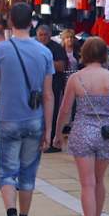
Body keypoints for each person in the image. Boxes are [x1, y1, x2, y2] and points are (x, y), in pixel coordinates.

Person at [0, 3, 54, 216]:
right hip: (34, 119)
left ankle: (11, 215)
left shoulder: (0, 50)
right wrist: (49, 130)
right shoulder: (44, 52)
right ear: (32, 23)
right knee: (27, 173)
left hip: (8, 118)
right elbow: (48, 95)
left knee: (6, 172)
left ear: (10, 22)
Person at [52, 37, 109, 216]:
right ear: (104, 54)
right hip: (106, 133)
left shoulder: (76, 79)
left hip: (83, 131)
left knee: (87, 183)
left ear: (83, 54)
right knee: (100, 181)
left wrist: (57, 134)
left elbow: (65, 109)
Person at [36, 25, 66, 153]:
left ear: (49, 35)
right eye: (40, 35)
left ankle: (53, 142)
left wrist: (46, 61)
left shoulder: (56, 48)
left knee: (53, 114)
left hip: (54, 84)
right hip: (37, 85)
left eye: (45, 35)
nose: (43, 37)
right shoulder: (34, 47)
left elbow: (61, 66)